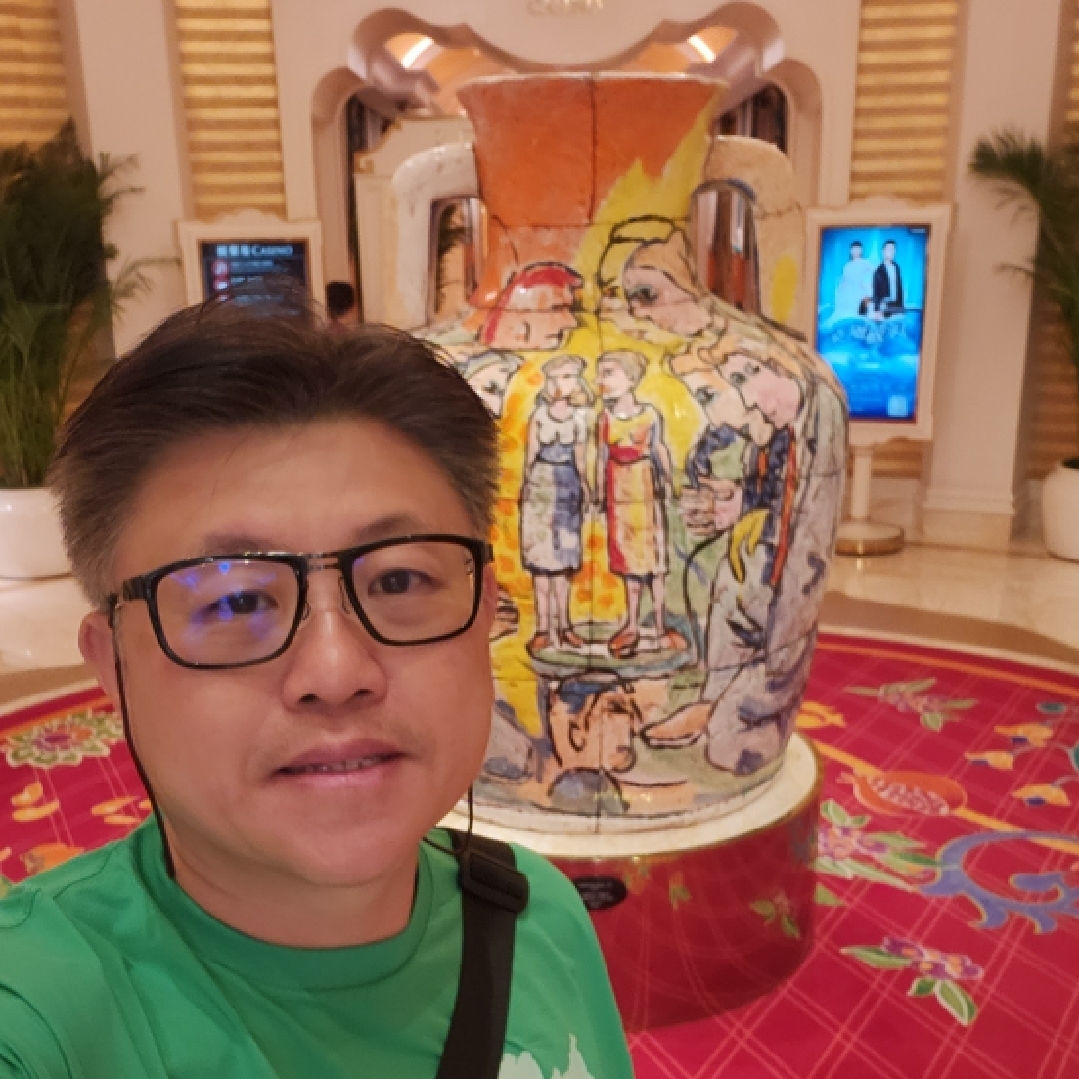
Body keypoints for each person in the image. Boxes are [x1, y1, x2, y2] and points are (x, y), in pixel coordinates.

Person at [0, 292, 634, 1079]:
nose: (336, 672)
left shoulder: (540, 914)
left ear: (484, 615)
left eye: (399, 579)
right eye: (235, 601)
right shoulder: (38, 1011)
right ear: (112, 666)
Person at [594, 350, 687, 660]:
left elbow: (659, 449)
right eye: (600, 374)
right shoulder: (605, 419)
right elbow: (601, 457)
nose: (601, 381)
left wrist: (670, 483)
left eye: (609, 373)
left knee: (655, 564)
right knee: (629, 565)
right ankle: (632, 624)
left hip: (644, 489)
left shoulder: (649, 415)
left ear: (631, 379)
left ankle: (660, 626)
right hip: (618, 492)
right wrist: (597, 492)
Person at [520, 355, 592, 654]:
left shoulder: (579, 419)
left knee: (563, 562)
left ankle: (564, 626)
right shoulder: (538, 416)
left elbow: (581, 459)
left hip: (568, 486)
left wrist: (586, 488)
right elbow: (529, 457)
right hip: (540, 486)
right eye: (557, 377)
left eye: (569, 377)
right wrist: (527, 490)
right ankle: (542, 628)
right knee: (540, 562)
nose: (562, 384)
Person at [831, 239, 875, 321]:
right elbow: (843, 280)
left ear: (861, 251)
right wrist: (840, 290)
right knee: (847, 316)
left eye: (858, 249)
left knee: (859, 316)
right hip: (847, 294)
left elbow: (875, 273)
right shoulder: (847, 265)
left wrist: (870, 285)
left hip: (859, 292)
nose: (856, 251)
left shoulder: (865, 262)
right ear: (850, 251)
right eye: (854, 249)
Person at [871, 239, 904, 317]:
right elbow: (876, 293)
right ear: (883, 251)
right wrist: (876, 310)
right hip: (885, 306)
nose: (892, 252)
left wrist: (901, 307)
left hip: (897, 305)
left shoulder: (896, 267)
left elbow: (899, 288)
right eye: (889, 249)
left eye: (893, 249)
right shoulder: (878, 271)